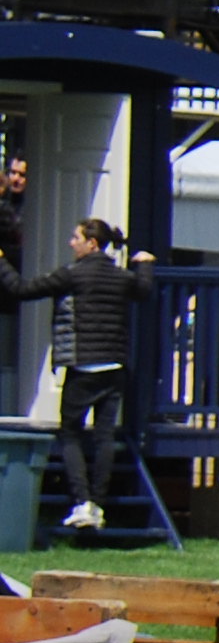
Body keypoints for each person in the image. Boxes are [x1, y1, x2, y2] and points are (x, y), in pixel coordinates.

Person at [9, 215, 156, 532]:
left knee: (71, 434)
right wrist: (143, 263)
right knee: (104, 438)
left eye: (75, 238)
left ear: (92, 243)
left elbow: (21, 289)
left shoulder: (73, 276)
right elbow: (143, 289)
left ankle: (82, 502)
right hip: (115, 367)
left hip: (82, 366)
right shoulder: (121, 277)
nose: (70, 243)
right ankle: (98, 506)